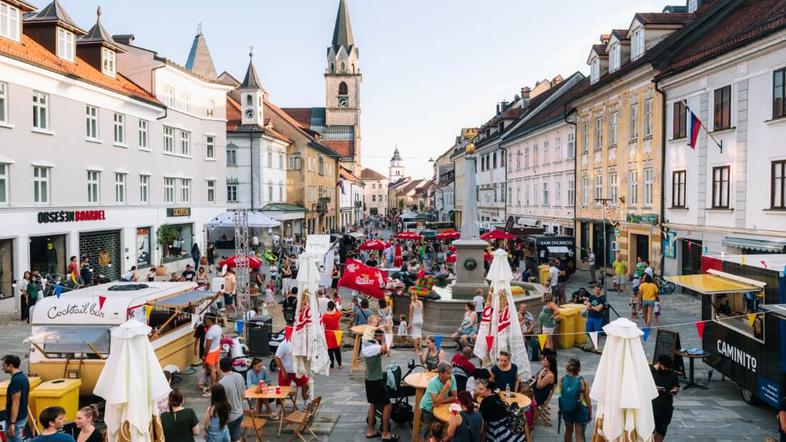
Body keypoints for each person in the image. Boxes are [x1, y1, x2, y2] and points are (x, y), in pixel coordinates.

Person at [362, 329, 399, 441]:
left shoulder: (366, 346)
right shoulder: (373, 348)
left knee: (373, 404)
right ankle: (386, 433)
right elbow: (386, 347)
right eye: (381, 336)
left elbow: (383, 350)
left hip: (369, 379)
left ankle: (370, 431)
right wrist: (389, 331)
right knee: (387, 405)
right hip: (376, 381)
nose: (382, 338)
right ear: (376, 336)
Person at [419, 362, 458, 439]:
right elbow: (435, 403)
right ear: (441, 374)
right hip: (428, 409)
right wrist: (445, 388)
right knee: (429, 433)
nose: (450, 375)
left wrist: (441, 401)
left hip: (441, 407)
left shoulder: (452, 378)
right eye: (448, 373)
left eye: (450, 373)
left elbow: (454, 397)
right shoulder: (433, 382)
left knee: (442, 432)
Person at [559, 358, 591, 442]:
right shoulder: (583, 382)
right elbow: (588, 400)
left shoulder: (562, 380)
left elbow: (561, 395)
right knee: (579, 435)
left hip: (567, 409)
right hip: (579, 410)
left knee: (568, 431)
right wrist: (590, 412)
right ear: (579, 369)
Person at [651, 355, 679, 442]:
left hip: (666, 406)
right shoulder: (650, 372)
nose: (666, 369)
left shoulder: (672, 373)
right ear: (659, 363)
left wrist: (674, 390)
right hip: (652, 406)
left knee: (662, 430)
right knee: (650, 430)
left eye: (668, 367)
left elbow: (676, 385)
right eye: (664, 367)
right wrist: (653, 388)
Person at [2, 355, 30, 442]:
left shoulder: (16, 381)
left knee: (14, 439)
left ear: (10, 365)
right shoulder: (23, 377)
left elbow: (16, 402)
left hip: (16, 419)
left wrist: (12, 423)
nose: (2, 368)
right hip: (23, 416)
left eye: (4, 365)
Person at [218, 357, 245, 442]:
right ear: (232, 365)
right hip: (240, 412)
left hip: (229, 417)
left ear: (220, 367)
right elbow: (243, 395)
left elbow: (220, 403)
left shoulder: (221, 384)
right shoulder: (239, 376)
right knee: (236, 437)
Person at [274, 338, 310, 403]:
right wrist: (283, 371)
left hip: (297, 370)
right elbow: (277, 357)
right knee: (282, 390)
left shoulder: (301, 342)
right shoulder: (284, 344)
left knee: (306, 386)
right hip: (286, 370)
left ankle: (306, 404)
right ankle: (279, 408)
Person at [203, 315, 222, 394]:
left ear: (210, 320)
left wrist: (204, 356)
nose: (205, 321)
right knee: (216, 368)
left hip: (210, 352)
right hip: (217, 349)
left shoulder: (210, 332)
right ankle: (216, 385)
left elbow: (207, 346)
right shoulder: (218, 327)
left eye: (206, 319)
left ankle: (212, 390)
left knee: (211, 371)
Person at [322, 301, 343, 369]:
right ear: (334, 306)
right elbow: (340, 312)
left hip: (328, 333)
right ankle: (340, 364)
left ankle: (331, 365)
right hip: (336, 333)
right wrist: (336, 307)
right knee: (337, 350)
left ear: (328, 307)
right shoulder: (337, 314)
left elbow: (324, 327)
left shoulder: (325, 316)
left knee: (330, 350)